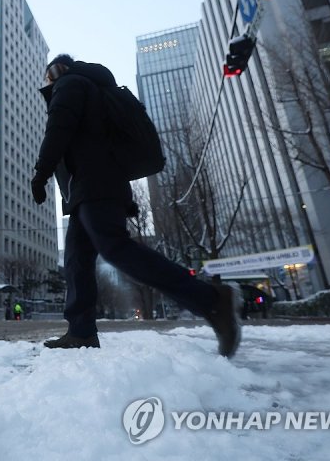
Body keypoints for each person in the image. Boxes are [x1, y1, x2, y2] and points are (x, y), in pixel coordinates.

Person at [31, 54, 241, 357]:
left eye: (46, 78)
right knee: (77, 259)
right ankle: (80, 331)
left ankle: (210, 299)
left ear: (54, 71)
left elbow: (58, 129)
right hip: (89, 186)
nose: (46, 84)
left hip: (96, 181)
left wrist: (41, 173)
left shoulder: (70, 83)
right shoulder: (89, 87)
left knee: (114, 247)